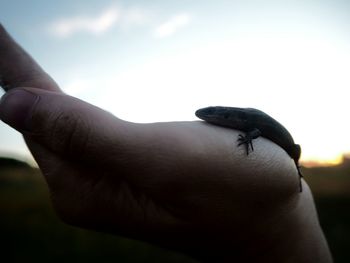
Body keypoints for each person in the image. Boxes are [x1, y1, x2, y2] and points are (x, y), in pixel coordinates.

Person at [0, 24, 332, 263]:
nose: (207, 116)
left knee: (295, 153)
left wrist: (287, 177)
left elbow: (269, 138)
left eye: (214, 113)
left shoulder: (249, 124)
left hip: (286, 148)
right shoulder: (240, 119)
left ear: (231, 118)